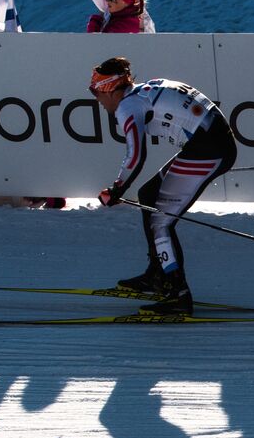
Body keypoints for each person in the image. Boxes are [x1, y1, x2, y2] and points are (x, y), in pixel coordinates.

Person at [89, 57, 238, 315]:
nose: (97, 101)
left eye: (96, 93)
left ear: (109, 89)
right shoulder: (143, 91)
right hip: (210, 142)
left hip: (208, 147)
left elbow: (135, 156)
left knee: (161, 222)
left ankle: (177, 295)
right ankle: (157, 275)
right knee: (148, 194)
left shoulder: (128, 105)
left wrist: (116, 191)